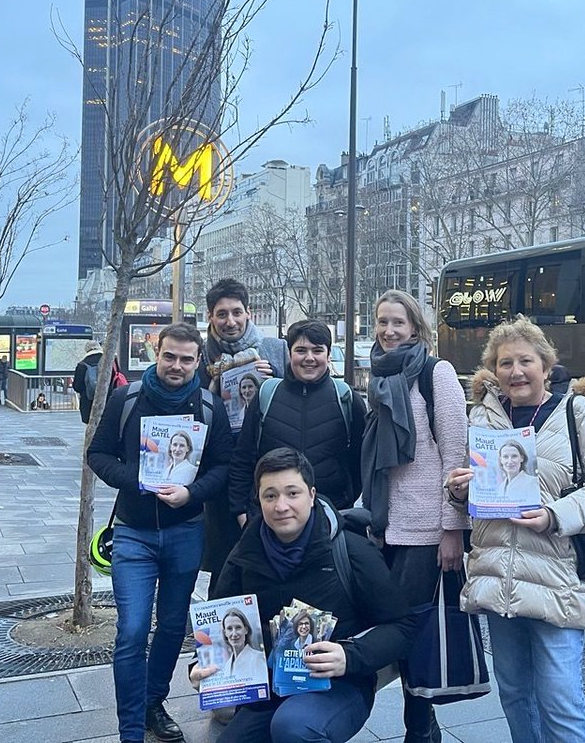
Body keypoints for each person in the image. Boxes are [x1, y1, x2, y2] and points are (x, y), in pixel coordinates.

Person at [446, 316, 585, 743]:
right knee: (514, 695)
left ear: (546, 367)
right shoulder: (483, 418)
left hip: (555, 579)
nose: (515, 371)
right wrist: (457, 491)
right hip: (497, 579)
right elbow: (470, 493)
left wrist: (556, 514)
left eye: (525, 361)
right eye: (505, 363)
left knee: (560, 701)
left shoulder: (578, 413)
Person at [191, 446, 417, 743]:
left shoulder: (350, 550)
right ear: (258, 500)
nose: (281, 505)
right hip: (270, 689)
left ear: (311, 495)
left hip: (339, 684)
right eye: (270, 495)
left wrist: (349, 656)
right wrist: (199, 667)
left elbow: (403, 627)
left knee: (293, 728)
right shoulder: (244, 556)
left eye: (292, 493)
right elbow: (218, 628)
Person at [88, 323, 232, 743]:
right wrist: (135, 479)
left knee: (172, 627)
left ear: (198, 361)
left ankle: (154, 702)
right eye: (170, 356)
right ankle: (130, 729)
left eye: (187, 359)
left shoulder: (208, 406)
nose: (177, 365)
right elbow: (96, 454)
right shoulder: (126, 398)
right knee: (132, 630)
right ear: (157, 352)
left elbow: (223, 467)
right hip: (133, 535)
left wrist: (191, 493)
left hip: (185, 531)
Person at [363, 289, 468, 743]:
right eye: (383, 322)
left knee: (414, 633)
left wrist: (452, 528)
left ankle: (420, 729)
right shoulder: (379, 377)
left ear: (416, 329)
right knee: (399, 630)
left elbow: (455, 454)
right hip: (385, 525)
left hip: (426, 529)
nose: (390, 331)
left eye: (398, 323)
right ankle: (422, 724)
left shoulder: (434, 372)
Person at [200, 278, 289, 591]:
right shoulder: (200, 356)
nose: (230, 321)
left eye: (236, 312)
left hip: (268, 466)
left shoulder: (276, 350)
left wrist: (274, 378)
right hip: (221, 474)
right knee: (225, 564)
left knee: (273, 557)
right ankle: (224, 635)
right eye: (221, 314)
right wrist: (210, 391)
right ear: (210, 317)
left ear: (249, 312)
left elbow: (299, 396)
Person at [230, 320, 365, 525]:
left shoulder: (347, 399)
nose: (309, 358)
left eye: (317, 350)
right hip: (271, 517)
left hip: (331, 516)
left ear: (328, 356)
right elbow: (243, 456)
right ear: (290, 353)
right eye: (301, 350)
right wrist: (241, 512)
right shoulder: (266, 395)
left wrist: (344, 500)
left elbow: (359, 461)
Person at [214, 608, 269, 684]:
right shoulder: (227, 665)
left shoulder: (257, 658)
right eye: (229, 628)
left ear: (246, 630)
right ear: (225, 633)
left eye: (238, 627)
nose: (234, 633)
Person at [495, 440, 541, 504]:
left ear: (522, 458)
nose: (510, 461)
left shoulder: (532, 482)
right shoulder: (501, 487)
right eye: (505, 457)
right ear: (501, 460)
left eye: (514, 456)